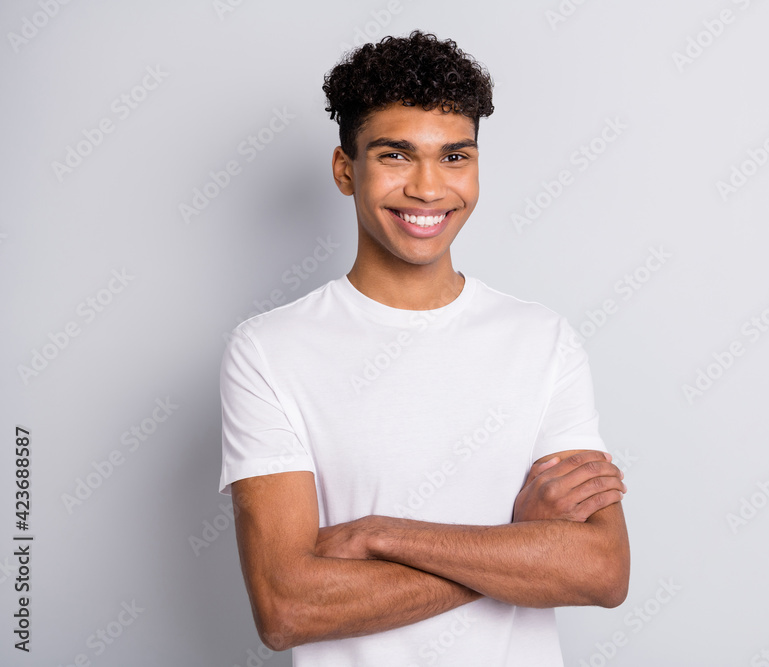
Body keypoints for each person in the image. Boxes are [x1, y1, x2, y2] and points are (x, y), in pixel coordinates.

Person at [218, 29, 630, 666]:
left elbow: (601, 571)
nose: (429, 188)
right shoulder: (270, 351)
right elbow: (287, 608)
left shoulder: (541, 340)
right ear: (344, 169)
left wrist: (381, 535)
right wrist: (522, 547)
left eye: (455, 157)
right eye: (396, 156)